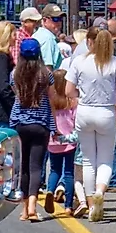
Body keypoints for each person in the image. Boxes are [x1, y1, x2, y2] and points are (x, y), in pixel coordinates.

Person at [65, 24, 116, 221]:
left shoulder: (80, 62)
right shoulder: (115, 62)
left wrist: (80, 96)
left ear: (89, 42)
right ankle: (101, 190)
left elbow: (68, 91)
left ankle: (91, 203)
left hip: (84, 111)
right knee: (105, 160)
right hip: (106, 111)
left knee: (88, 160)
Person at [8, 38, 55, 221]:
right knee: (36, 167)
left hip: (20, 123)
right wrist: (54, 124)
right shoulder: (46, 74)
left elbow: (14, 93)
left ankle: (24, 209)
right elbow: (51, 99)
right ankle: (34, 207)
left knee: (23, 167)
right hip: (40, 123)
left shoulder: (14, 74)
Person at [44, 66, 82, 214]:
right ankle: (68, 205)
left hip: (53, 141)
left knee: (54, 170)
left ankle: (50, 190)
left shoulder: (50, 102)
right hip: (69, 141)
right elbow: (76, 121)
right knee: (68, 173)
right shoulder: (72, 102)